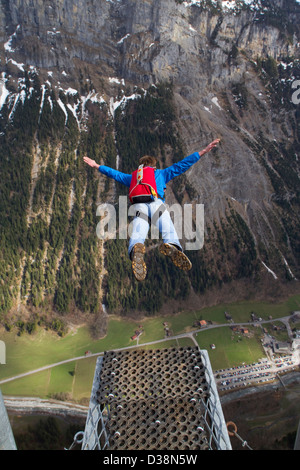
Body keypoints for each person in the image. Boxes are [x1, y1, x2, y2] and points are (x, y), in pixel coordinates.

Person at [83, 138, 220, 281]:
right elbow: (182, 165)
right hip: (156, 203)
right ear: (153, 165)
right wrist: (202, 152)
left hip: (138, 205)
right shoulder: (160, 174)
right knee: (167, 227)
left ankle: (136, 248)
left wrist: (97, 165)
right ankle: (172, 244)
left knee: (139, 230)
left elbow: (115, 174)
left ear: (141, 166)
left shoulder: (132, 178)